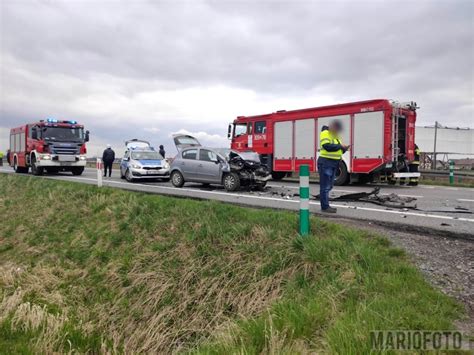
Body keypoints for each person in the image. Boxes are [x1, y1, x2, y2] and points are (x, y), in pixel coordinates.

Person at [317, 120, 350, 213]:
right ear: (332, 127)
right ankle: (325, 207)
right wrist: (340, 146)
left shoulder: (336, 136)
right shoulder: (325, 133)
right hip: (326, 162)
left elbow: (338, 149)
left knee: (329, 185)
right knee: (325, 186)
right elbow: (327, 146)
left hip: (334, 163)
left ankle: (324, 200)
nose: (337, 131)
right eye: (337, 129)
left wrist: (344, 149)